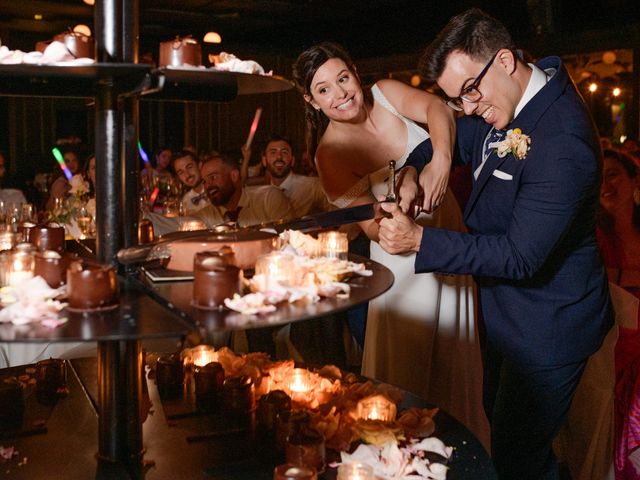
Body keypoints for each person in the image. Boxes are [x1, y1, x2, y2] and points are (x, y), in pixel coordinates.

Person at [377, 9, 613, 479]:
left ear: (504, 60)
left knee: (515, 458)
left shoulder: (562, 139)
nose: (468, 107)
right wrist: (415, 167)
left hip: (548, 326)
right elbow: (450, 138)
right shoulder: (502, 98)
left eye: (469, 91)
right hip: (505, 315)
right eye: (456, 98)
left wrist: (420, 239)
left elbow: (519, 256)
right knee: (505, 441)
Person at [293, 42, 489, 447]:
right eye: (324, 89)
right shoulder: (329, 154)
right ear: (311, 100)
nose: (341, 93)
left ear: (355, 73)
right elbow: (373, 230)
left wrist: (438, 161)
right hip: (405, 272)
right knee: (412, 387)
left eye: (342, 78)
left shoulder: (385, 92)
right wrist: (397, 203)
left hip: (452, 246)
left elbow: (438, 111)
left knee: (459, 375)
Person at [597, 149, 640, 479]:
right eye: (599, 177)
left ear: (633, 181)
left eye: (613, 174)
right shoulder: (593, 236)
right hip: (614, 347)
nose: (605, 184)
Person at [147, 151, 295, 236]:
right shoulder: (208, 214)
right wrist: (137, 217)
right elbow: (173, 225)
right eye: (205, 181)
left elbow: (289, 241)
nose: (208, 185)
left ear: (234, 176)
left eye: (213, 177)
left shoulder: (269, 198)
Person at [261, 133, 331, 216]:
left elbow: (339, 214)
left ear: (292, 160)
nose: (279, 157)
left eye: (284, 152)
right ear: (264, 161)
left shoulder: (313, 187)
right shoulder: (261, 196)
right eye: (273, 152)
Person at [172, 150, 210, 215]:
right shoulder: (186, 200)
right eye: (181, 172)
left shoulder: (215, 191)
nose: (187, 175)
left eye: (189, 167)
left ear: (200, 165)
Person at [45, 145, 82, 212]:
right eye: (67, 161)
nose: (71, 164)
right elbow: (56, 209)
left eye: (74, 160)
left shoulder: (81, 180)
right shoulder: (60, 183)